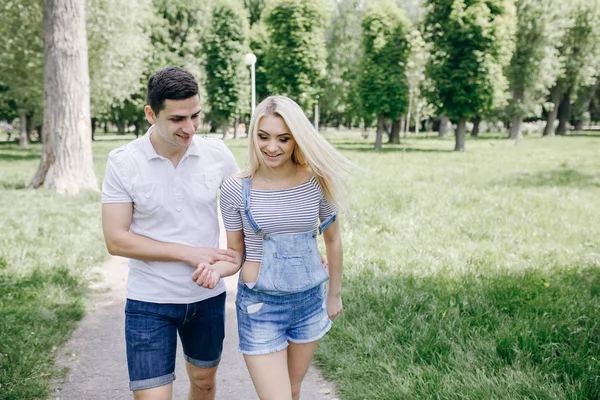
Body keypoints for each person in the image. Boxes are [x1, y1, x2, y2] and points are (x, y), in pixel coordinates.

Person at [191, 95, 353, 399]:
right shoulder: (235, 189)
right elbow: (236, 253)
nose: (271, 147)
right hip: (260, 307)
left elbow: (333, 240)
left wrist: (334, 294)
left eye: (283, 138)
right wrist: (215, 270)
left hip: (308, 302)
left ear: (296, 140)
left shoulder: (317, 180)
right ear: (254, 135)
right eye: (263, 137)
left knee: (292, 391)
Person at [101, 66, 239, 400]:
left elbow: (252, 212)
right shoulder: (123, 162)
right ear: (151, 114)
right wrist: (187, 252)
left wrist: (302, 241)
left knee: (204, 382)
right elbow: (116, 240)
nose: (190, 128)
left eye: (195, 116)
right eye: (177, 119)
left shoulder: (217, 155)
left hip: (207, 299)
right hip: (149, 301)